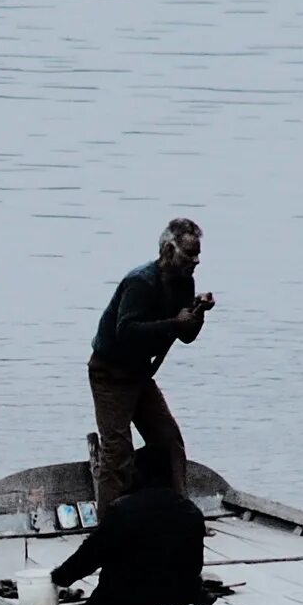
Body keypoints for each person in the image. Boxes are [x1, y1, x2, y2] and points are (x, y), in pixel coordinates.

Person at [87, 217, 214, 509]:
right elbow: (126, 331)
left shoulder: (185, 282)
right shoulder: (140, 282)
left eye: (197, 254)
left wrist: (198, 313)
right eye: (189, 254)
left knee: (170, 443)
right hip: (110, 374)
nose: (196, 261)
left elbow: (186, 336)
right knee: (117, 451)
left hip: (140, 374)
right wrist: (174, 321)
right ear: (169, 251)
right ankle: (109, 527)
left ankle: (180, 514)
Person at [49, 455, 205, 605]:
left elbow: (89, 556)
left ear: (136, 476)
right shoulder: (192, 511)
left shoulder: (121, 511)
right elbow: (195, 564)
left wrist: (58, 578)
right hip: (181, 602)